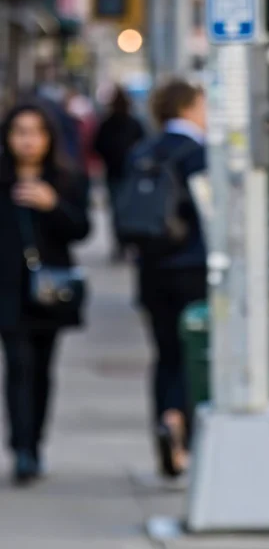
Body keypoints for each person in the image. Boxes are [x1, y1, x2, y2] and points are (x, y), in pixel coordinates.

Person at [0, 100, 89, 483]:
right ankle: (21, 449)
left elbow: (81, 229)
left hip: (50, 291)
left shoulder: (65, 180)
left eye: (36, 133)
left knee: (42, 369)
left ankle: (35, 441)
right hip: (6, 289)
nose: (28, 141)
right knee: (18, 366)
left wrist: (52, 205)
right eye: (20, 132)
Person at [127, 78, 208, 477]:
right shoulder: (199, 153)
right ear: (189, 107)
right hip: (194, 267)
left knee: (164, 354)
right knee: (193, 353)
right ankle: (181, 432)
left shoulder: (144, 151)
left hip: (152, 269)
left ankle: (163, 418)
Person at [94, 86, 144, 257]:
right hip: (126, 174)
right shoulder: (131, 123)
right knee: (129, 209)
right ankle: (127, 242)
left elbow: (97, 145)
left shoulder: (108, 123)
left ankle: (122, 242)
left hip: (117, 173)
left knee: (117, 210)